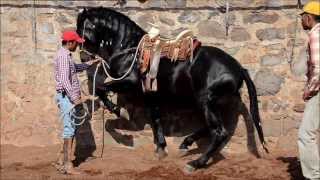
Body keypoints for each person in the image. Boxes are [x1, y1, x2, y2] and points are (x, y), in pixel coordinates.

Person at [53, 30, 98, 175]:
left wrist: (90, 63)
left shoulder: (65, 56)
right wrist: (75, 98)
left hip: (67, 97)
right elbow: (66, 80)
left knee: (69, 127)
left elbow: (74, 69)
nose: (78, 46)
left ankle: (61, 159)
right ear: (70, 42)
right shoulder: (64, 57)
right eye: (76, 43)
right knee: (69, 129)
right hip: (67, 97)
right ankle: (67, 165)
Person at [298, 1, 320, 180]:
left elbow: (319, 69)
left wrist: (309, 91)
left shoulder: (316, 34)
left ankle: (313, 176)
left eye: (302, 17)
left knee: (306, 134)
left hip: (319, 90)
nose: (301, 21)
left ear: (308, 17)